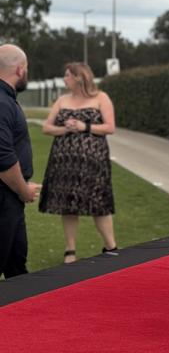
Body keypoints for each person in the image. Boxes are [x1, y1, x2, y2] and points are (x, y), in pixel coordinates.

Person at [39, 62, 117, 262]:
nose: (64, 79)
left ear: (79, 77)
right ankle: (70, 250)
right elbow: (46, 128)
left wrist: (84, 126)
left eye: (67, 75)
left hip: (93, 161)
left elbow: (109, 127)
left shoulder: (101, 98)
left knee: (99, 202)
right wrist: (65, 129)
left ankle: (110, 245)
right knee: (68, 204)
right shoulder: (62, 100)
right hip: (64, 162)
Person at [0, 44, 40, 278]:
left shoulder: (7, 99)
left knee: (17, 268)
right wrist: (23, 189)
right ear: (20, 69)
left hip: (11, 199)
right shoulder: (3, 103)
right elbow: (3, 159)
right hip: (5, 198)